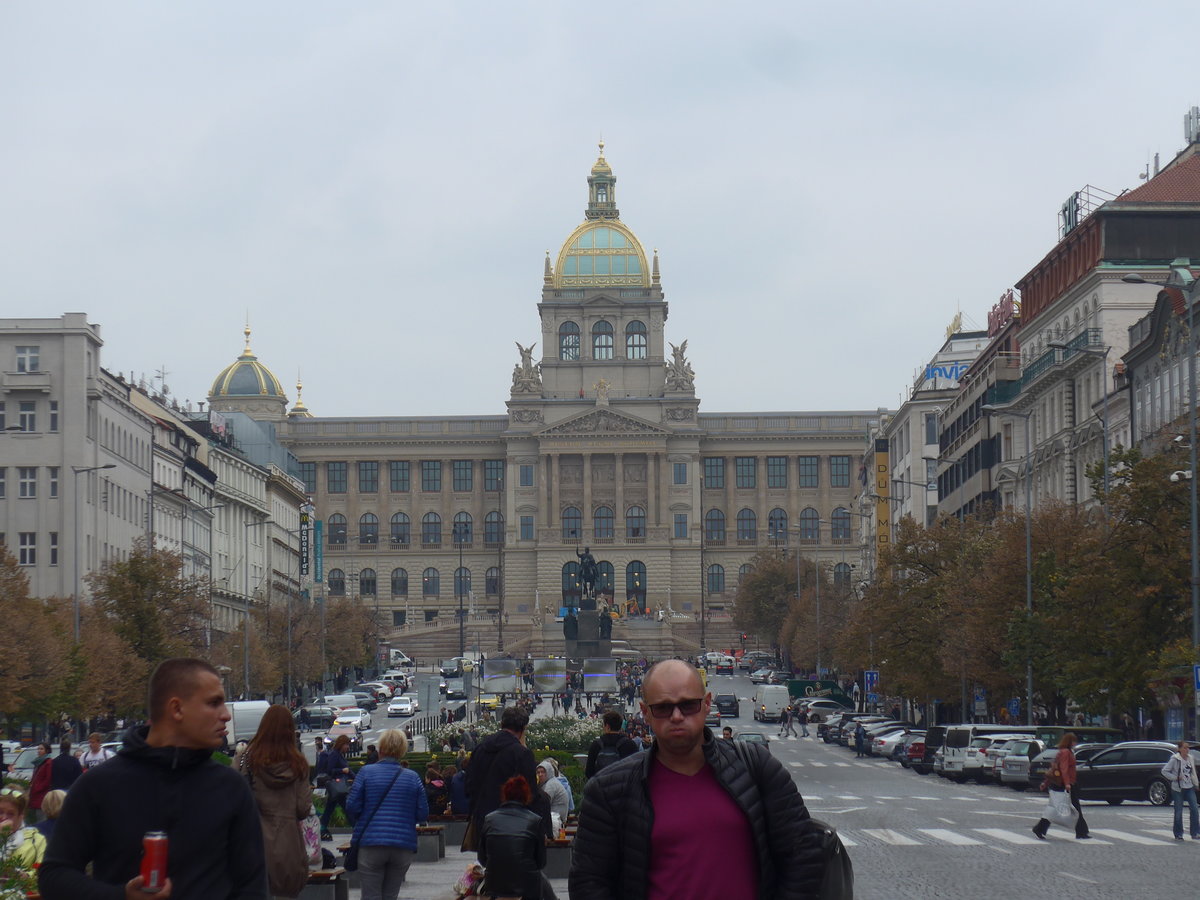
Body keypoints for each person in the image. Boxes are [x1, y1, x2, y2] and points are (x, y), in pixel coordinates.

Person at [569, 659, 827, 899]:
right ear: (645, 713)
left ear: (706, 704)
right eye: (663, 708)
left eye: (688, 705)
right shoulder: (608, 790)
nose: (677, 716)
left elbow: (803, 855)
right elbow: (589, 883)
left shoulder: (757, 767)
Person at [38, 657, 268, 898]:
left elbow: (253, 886)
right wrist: (121, 896)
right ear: (177, 709)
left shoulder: (230, 787)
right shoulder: (98, 785)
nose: (226, 715)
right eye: (214, 703)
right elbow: (54, 876)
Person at [236, 704, 314, 898]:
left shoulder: (246, 759)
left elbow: (234, 800)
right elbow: (303, 809)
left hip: (252, 842)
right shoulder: (299, 764)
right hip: (288, 843)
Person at [345, 728, 428, 900]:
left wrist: (362, 821)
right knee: (391, 895)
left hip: (371, 842)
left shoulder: (366, 773)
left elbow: (352, 806)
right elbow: (423, 813)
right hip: (403, 845)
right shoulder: (413, 777)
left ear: (380, 748)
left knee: (370, 895)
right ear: (402, 751)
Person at [464, 706, 538, 846]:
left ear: (501, 724)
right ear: (523, 729)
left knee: (490, 865)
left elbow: (468, 786)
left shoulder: (480, 749)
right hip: (512, 825)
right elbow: (531, 793)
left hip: (483, 822)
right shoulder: (522, 754)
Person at [479, 775, 546, 900]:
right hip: (526, 885)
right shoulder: (535, 821)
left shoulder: (489, 819)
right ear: (526, 796)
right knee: (541, 880)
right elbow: (541, 861)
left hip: (495, 884)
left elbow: (482, 858)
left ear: (505, 794)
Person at [1032, 732, 1090, 840]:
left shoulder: (1064, 752)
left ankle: (1040, 828)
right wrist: (1067, 783)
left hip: (1065, 784)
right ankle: (1081, 832)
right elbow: (1063, 769)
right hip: (1065, 785)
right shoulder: (1066, 753)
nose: (1075, 743)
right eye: (1074, 741)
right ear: (1069, 741)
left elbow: (1055, 770)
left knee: (1056, 808)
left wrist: (1045, 783)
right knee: (1074, 808)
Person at [1, 783, 47, 881]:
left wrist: (27, 875)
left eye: (10, 814)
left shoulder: (37, 840)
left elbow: (42, 870)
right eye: (0, 812)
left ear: (21, 816)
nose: (4, 818)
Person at [1160, 739, 1200, 840]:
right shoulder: (1175, 759)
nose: (1187, 750)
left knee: (1194, 809)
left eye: (1188, 748)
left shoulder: (1191, 758)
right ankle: (1178, 833)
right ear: (1179, 749)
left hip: (1189, 786)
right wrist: (1175, 777)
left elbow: (1193, 772)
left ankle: (1195, 832)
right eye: (1184, 748)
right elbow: (1164, 771)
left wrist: (1196, 784)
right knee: (1178, 811)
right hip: (1178, 788)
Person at [320, 734, 354, 841]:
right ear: (341, 744)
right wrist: (342, 771)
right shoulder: (334, 754)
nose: (348, 747)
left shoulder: (339, 754)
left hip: (338, 788)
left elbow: (348, 770)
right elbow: (330, 770)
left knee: (329, 810)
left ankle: (322, 829)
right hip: (338, 787)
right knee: (347, 809)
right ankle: (357, 829)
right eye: (346, 745)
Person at [585, 711, 637, 778]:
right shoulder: (630, 744)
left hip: (601, 785)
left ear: (607, 726)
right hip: (624, 786)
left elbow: (589, 772)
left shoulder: (596, 745)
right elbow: (636, 770)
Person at [26, 742, 53, 823]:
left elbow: (48, 779)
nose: (39, 751)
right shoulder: (38, 762)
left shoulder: (48, 762)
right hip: (34, 794)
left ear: (47, 750)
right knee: (34, 819)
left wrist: (38, 787)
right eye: (38, 749)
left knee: (41, 818)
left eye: (41, 749)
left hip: (42, 795)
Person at [536, 760, 569, 826]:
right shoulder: (551, 782)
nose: (540, 775)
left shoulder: (551, 785)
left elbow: (542, 805)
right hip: (556, 818)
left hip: (556, 820)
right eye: (538, 772)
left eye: (543, 772)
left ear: (549, 772)